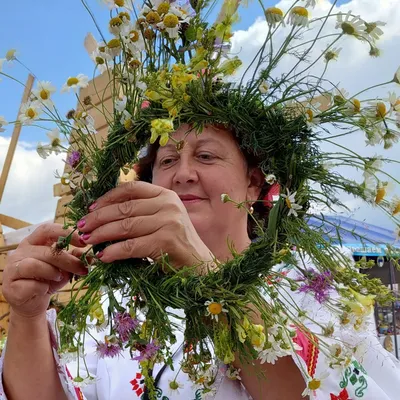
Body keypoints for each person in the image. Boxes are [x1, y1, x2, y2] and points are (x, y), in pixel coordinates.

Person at [1, 124, 400, 400]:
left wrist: (204, 273)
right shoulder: (119, 305)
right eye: (167, 161)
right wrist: (28, 317)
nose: (183, 174)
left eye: (206, 156)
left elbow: (317, 389)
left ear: (254, 182)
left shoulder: (314, 277)